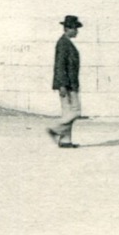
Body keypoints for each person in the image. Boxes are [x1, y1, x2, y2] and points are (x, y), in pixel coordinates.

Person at [47, 15, 83, 149]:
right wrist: (62, 85)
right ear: (67, 28)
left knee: (68, 113)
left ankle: (65, 141)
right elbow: (60, 65)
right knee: (76, 111)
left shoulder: (66, 42)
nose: (77, 31)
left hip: (69, 84)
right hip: (67, 85)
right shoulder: (63, 43)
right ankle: (55, 129)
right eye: (75, 29)